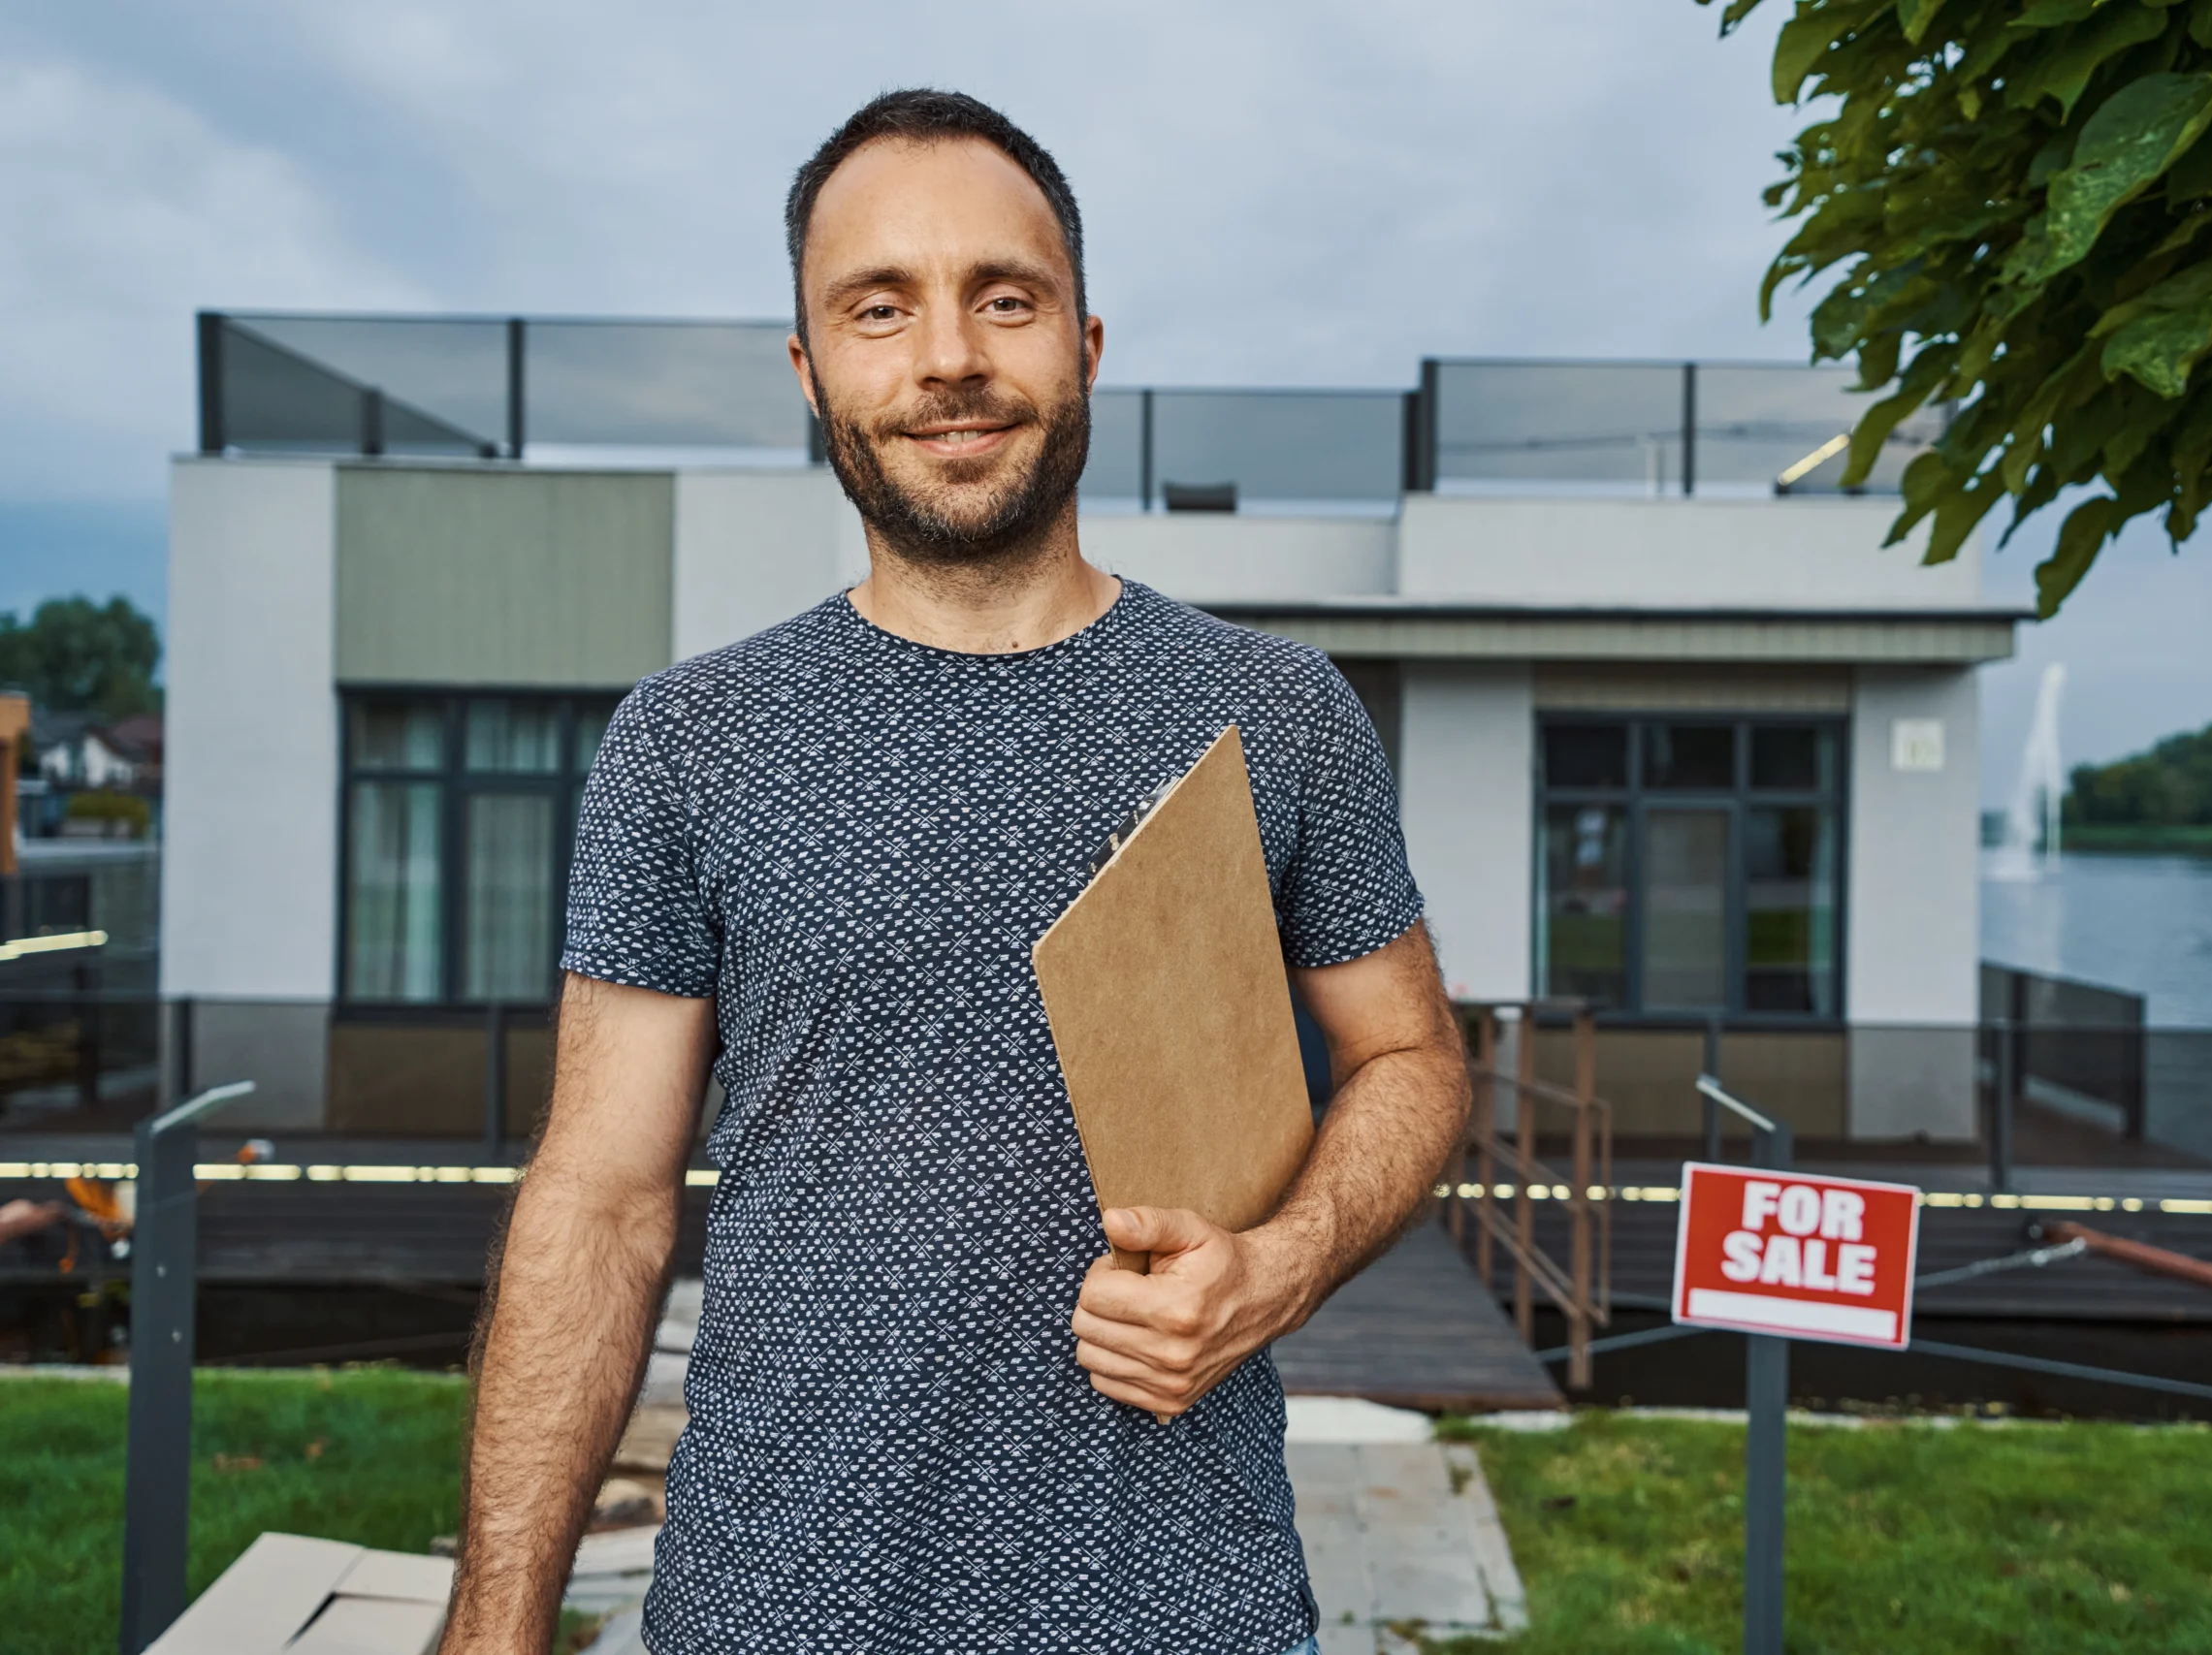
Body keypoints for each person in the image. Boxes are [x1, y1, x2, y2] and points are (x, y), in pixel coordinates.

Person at [438, 88, 1468, 1655]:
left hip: (1183, 1610)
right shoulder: (689, 739)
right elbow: (600, 1195)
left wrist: (1280, 1266)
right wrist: (495, 1625)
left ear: (1087, 342)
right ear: (809, 371)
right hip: (774, 1613)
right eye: (879, 308)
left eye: (1006, 297)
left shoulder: (1276, 713)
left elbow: (1410, 1055)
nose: (950, 360)